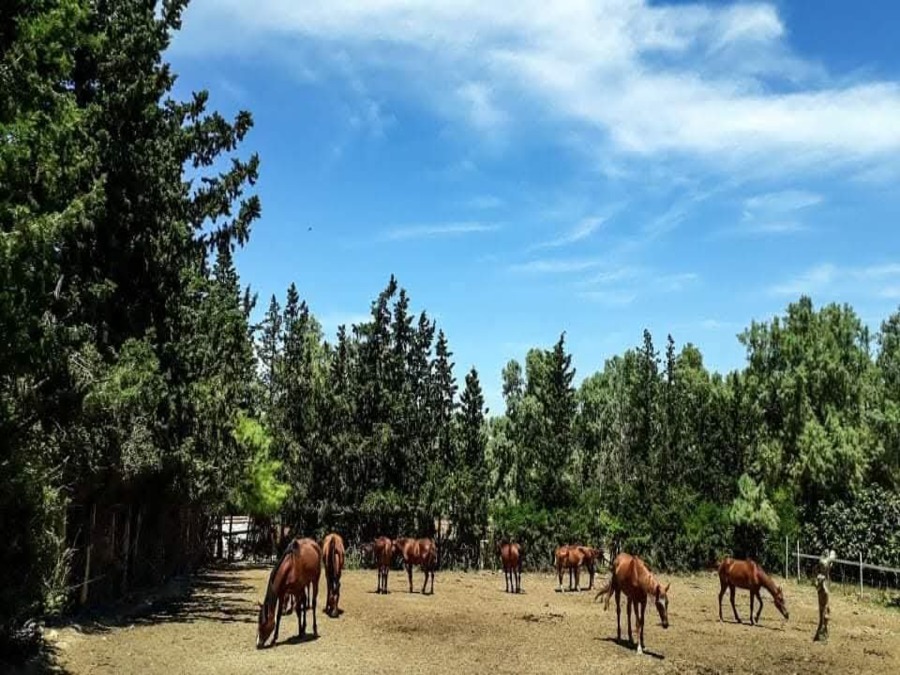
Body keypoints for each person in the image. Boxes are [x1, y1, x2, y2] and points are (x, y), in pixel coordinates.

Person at [814, 549, 836, 642]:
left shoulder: (822, 562)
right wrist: (832, 553)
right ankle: (822, 632)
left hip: (824, 584)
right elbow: (832, 558)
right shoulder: (824, 561)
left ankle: (822, 631)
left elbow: (830, 563)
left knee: (824, 609)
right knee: (824, 609)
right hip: (823, 585)